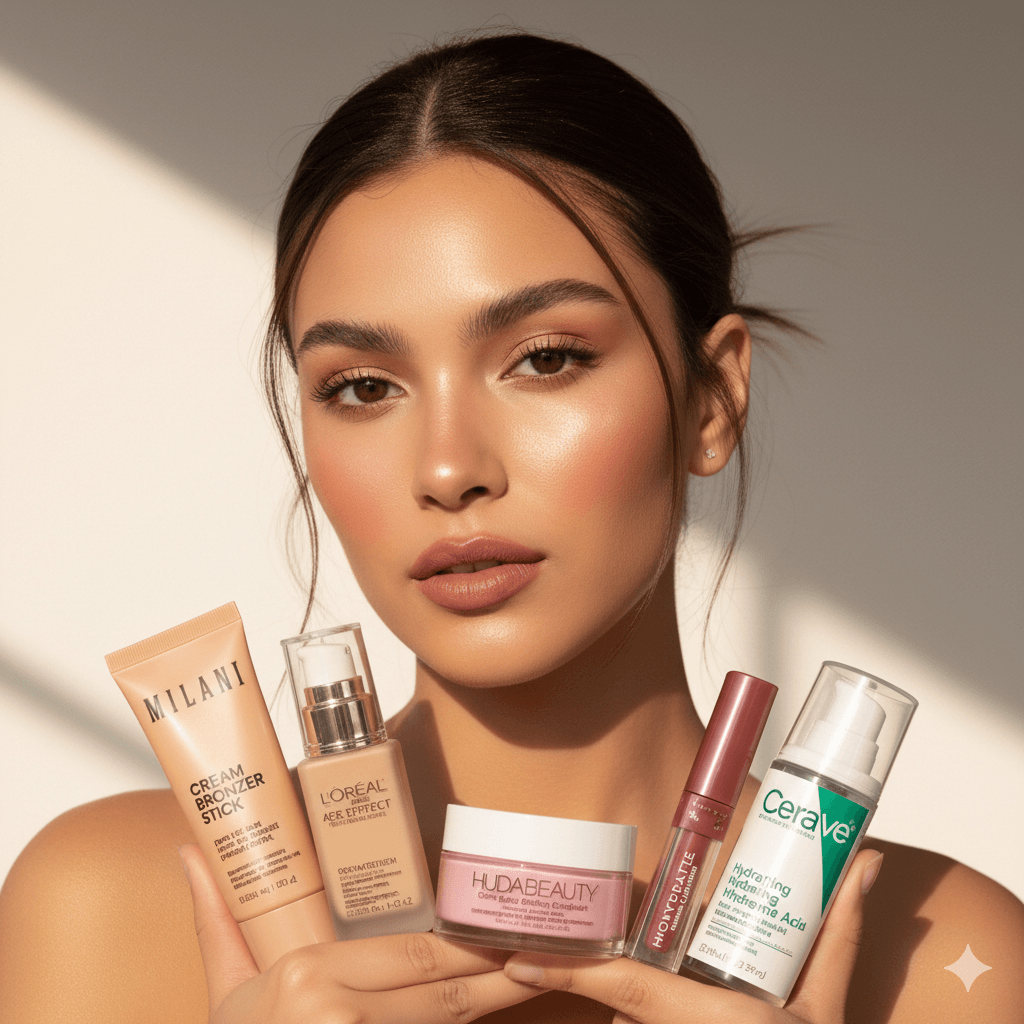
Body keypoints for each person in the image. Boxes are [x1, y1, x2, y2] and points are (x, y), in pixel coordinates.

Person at [1, 32, 1021, 1024]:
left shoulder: (946, 963)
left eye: (545, 358)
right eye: (364, 387)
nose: (449, 469)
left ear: (711, 397)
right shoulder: (108, 907)